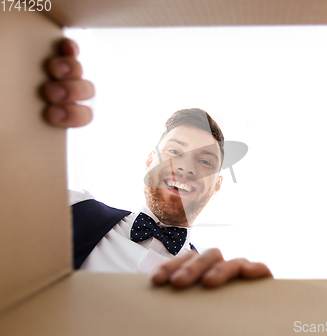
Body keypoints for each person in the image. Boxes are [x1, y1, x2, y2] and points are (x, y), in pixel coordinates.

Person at [42, 38, 272, 288]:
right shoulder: (68, 209)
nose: (186, 168)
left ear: (217, 185)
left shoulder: (212, 285)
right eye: (175, 151)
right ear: (150, 161)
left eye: (205, 161)